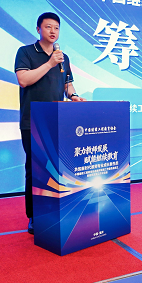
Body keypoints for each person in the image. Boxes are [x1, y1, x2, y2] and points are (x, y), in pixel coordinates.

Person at [14, 12, 86, 234]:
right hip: (33, 121)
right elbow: (24, 80)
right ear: (38, 29)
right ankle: (34, 216)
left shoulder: (63, 57)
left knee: (57, 168)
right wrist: (49, 63)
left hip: (58, 122)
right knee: (35, 169)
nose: (53, 31)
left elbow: (67, 84)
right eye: (48, 27)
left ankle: (56, 210)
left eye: (56, 27)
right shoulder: (26, 52)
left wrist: (74, 96)